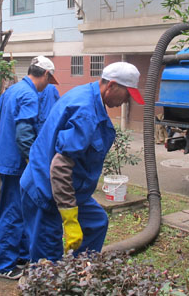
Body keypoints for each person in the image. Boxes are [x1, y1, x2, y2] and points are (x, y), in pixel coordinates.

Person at [20, 61, 145, 263]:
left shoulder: (90, 95)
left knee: (96, 222)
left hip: (69, 189)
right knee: (47, 258)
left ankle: (77, 270)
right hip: (44, 188)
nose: (127, 101)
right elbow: (60, 169)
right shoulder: (85, 112)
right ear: (111, 85)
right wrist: (69, 219)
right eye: (127, 94)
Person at [0, 55, 58, 280]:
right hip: (16, 165)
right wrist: (35, 162)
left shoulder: (11, 91)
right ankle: (4, 266)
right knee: (12, 213)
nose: (48, 86)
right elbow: (24, 135)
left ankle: (20, 256)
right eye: (50, 80)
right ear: (46, 75)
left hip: (6, 160)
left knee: (16, 210)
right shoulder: (30, 95)